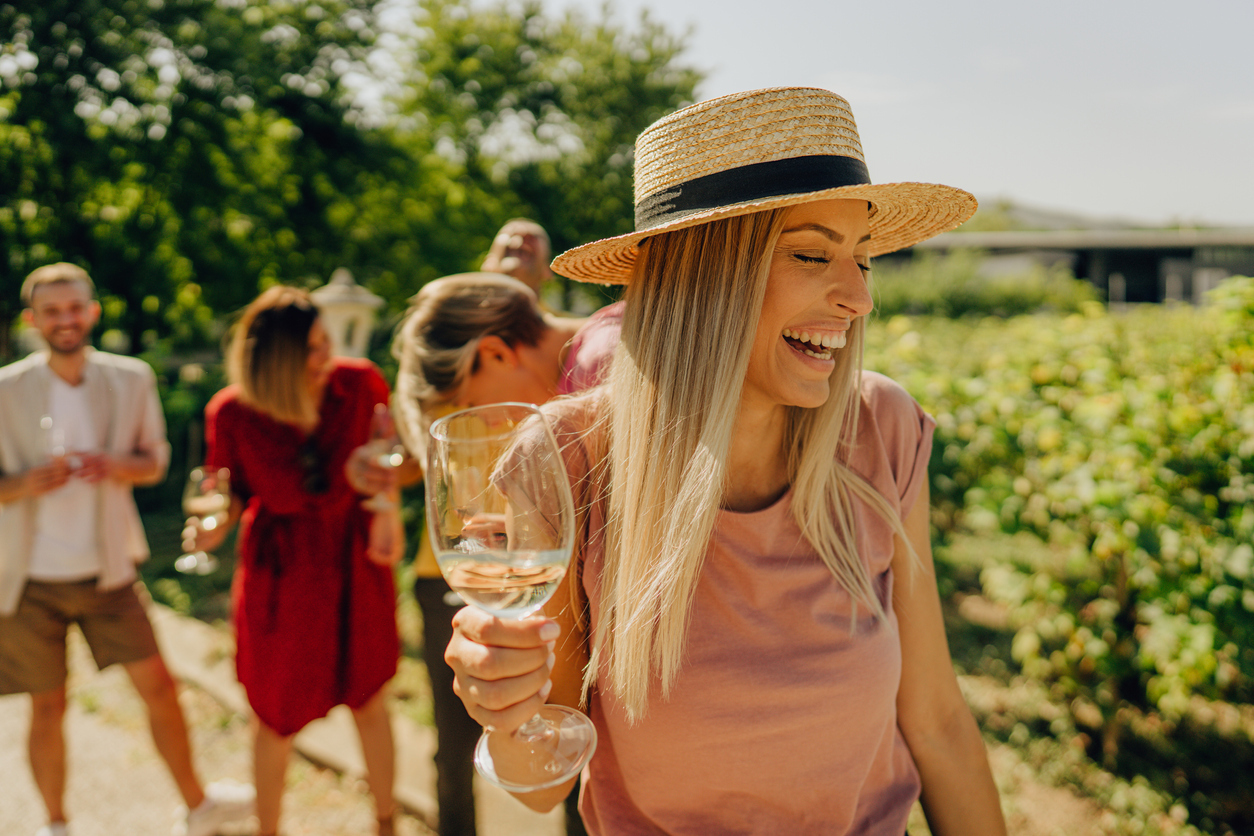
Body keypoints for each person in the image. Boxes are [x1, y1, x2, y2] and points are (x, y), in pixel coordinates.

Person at [440, 87, 1009, 835]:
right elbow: (541, 786)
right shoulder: (569, 459)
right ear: (702, 277)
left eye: (862, 262)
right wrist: (506, 713)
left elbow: (936, 722)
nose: (857, 299)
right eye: (813, 255)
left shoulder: (883, 430)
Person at [345, 271, 621, 836]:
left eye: (473, 408)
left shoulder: (601, 366)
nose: (493, 431)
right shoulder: (598, 348)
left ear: (495, 351)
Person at [0, 263, 255, 836]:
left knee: (160, 689)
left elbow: (156, 461)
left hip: (109, 572)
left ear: (92, 311)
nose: (65, 320)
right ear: (31, 320)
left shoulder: (130, 377)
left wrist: (113, 466)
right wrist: (24, 483)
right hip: (27, 580)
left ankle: (198, 806)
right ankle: (56, 823)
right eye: (52, 311)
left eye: (75, 308)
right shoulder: (5, 389)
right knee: (48, 707)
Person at [190, 286, 402, 836]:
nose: (323, 355)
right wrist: (216, 523)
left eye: (325, 341)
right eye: (309, 348)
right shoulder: (232, 411)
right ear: (272, 360)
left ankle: (386, 823)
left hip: (353, 558)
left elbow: (388, 456)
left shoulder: (359, 383)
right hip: (281, 574)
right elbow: (227, 493)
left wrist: (385, 511)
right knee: (273, 714)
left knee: (371, 696)